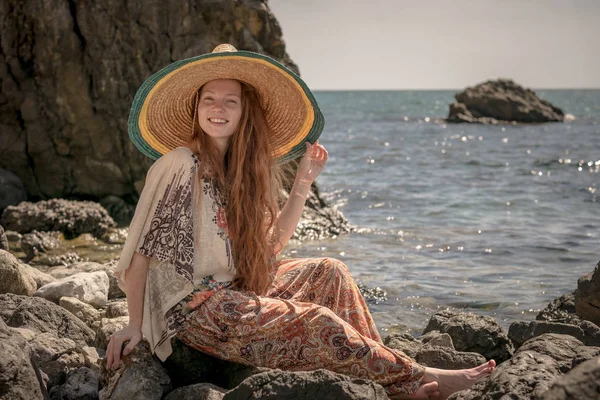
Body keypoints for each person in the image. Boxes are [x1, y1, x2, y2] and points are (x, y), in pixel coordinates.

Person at [106, 44, 495, 399]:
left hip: (231, 294)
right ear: (196, 108)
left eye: (230, 101)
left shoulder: (237, 175)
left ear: (245, 113)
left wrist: (304, 182)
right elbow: (141, 253)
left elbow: (269, 248)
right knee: (316, 321)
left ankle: (387, 380)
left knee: (331, 271)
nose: (218, 108)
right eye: (209, 99)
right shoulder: (179, 164)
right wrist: (134, 326)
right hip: (189, 314)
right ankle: (417, 375)